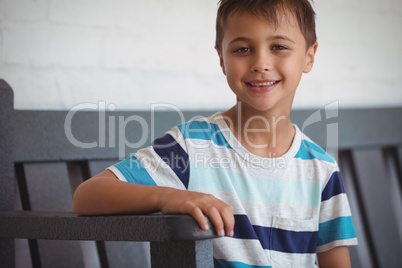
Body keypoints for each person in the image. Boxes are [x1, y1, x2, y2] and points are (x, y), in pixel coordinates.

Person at [72, 0, 358, 267]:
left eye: (279, 47)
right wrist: (169, 198)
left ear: (309, 57)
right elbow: (87, 195)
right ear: (222, 58)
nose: (260, 63)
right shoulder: (191, 147)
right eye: (242, 49)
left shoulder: (321, 169)